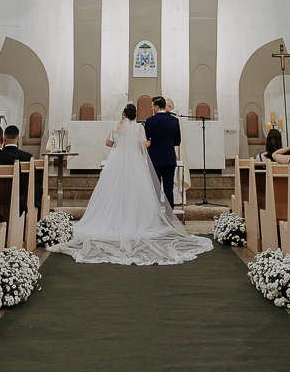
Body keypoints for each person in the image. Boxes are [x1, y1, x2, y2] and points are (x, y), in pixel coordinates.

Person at [49, 102, 212, 265]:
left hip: (117, 160)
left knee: (115, 189)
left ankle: (115, 219)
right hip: (135, 161)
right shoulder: (139, 129)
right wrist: (152, 140)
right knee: (136, 190)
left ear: (124, 114)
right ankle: (138, 220)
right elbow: (144, 145)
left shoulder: (116, 126)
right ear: (135, 115)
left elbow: (108, 143)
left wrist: (118, 144)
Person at [144, 97, 181, 209]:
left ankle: (156, 216)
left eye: (152, 106)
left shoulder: (150, 121)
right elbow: (177, 141)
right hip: (169, 159)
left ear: (157, 107)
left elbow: (146, 139)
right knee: (168, 189)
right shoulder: (174, 120)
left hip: (155, 159)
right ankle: (169, 218)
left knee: (155, 189)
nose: (152, 108)